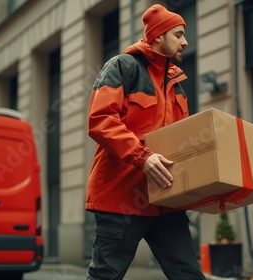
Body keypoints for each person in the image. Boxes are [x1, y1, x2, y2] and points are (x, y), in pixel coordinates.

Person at [85, 4, 206, 280]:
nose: (185, 41)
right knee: (105, 275)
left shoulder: (177, 84)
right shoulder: (122, 67)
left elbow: (182, 143)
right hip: (121, 201)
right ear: (158, 37)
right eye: (178, 34)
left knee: (188, 274)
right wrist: (143, 156)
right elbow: (100, 120)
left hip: (166, 201)